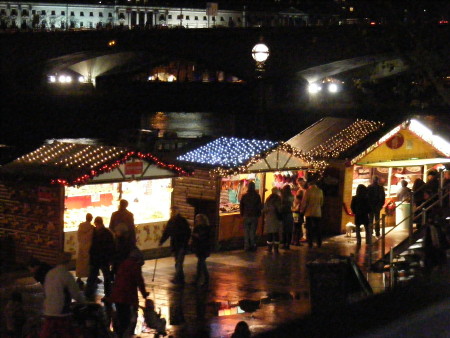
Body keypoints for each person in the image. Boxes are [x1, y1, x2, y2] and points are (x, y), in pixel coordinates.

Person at [40, 252, 85, 338]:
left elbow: (45, 292)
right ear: (68, 262)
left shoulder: (50, 273)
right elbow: (75, 294)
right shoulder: (66, 275)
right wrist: (83, 301)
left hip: (48, 310)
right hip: (61, 311)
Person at [110, 246, 149, 338]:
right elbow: (139, 282)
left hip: (118, 294)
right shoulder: (135, 266)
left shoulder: (123, 264)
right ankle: (124, 334)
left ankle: (118, 333)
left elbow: (118, 280)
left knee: (120, 315)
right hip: (126, 296)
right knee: (126, 318)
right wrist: (144, 294)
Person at [85, 216, 115, 300]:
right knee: (105, 276)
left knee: (93, 276)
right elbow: (111, 246)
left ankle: (88, 293)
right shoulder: (107, 233)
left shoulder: (96, 232)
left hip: (97, 258)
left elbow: (94, 245)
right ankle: (108, 293)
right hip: (102, 258)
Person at [159, 207, 191, 284]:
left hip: (180, 243)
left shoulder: (179, 220)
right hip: (177, 243)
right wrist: (162, 240)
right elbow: (167, 232)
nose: (172, 212)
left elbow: (187, 231)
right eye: (172, 211)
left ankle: (178, 278)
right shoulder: (173, 220)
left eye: (173, 211)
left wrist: (162, 241)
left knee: (179, 261)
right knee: (178, 261)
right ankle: (180, 277)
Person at [300, 178, 324, 248]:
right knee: (318, 228)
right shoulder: (320, 191)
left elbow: (304, 202)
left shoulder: (308, 191)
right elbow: (321, 202)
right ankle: (319, 242)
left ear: (309, 184)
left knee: (309, 228)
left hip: (309, 213)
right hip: (318, 212)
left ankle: (310, 243)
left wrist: (302, 210)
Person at [240, 181, 262, 252]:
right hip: (254, 216)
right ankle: (252, 245)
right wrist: (259, 214)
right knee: (252, 232)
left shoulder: (244, 196)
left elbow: (241, 206)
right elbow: (259, 206)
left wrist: (242, 214)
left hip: (246, 215)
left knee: (246, 231)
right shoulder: (257, 196)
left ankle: (246, 246)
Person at [191, 213, 212, 286]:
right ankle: (202, 278)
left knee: (201, 263)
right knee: (201, 264)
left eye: (198, 219)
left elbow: (206, 238)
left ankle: (203, 278)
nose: (196, 220)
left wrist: (198, 236)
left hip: (204, 248)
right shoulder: (197, 227)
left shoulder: (206, 228)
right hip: (199, 248)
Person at [76, 213, 94, 288]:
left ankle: (79, 277)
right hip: (89, 247)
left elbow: (78, 236)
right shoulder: (92, 228)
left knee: (80, 263)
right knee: (88, 263)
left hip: (81, 247)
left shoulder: (81, 226)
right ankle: (90, 276)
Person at [263, 188, 282, 253]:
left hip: (269, 218)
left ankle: (269, 248)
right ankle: (276, 249)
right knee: (276, 234)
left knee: (270, 234)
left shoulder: (268, 199)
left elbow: (264, 209)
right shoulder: (278, 199)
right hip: (276, 219)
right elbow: (280, 209)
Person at [280, 185, 294, 250]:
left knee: (284, 229)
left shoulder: (283, 197)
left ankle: (284, 243)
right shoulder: (292, 196)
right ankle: (288, 244)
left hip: (284, 214)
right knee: (289, 230)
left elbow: (281, 205)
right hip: (290, 213)